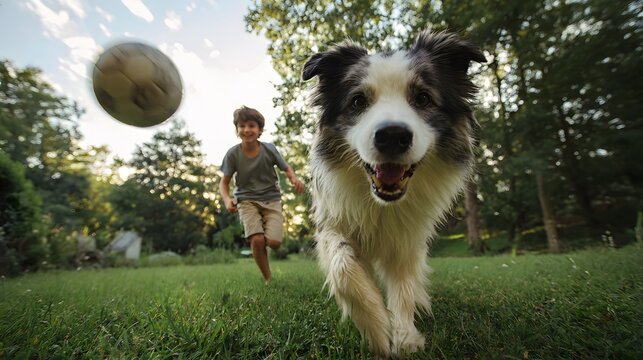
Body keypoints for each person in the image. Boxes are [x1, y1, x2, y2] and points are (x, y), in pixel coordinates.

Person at [219, 105, 304, 283]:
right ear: (237, 129)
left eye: (251, 125)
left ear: (260, 130)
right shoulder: (233, 154)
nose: (246, 129)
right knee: (257, 240)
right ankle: (268, 278)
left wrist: (293, 179)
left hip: (272, 199)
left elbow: (286, 167)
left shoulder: (269, 149)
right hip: (246, 200)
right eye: (242, 126)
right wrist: (227, 199)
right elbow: (224, 182)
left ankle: (265, 240)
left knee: (274, 243)